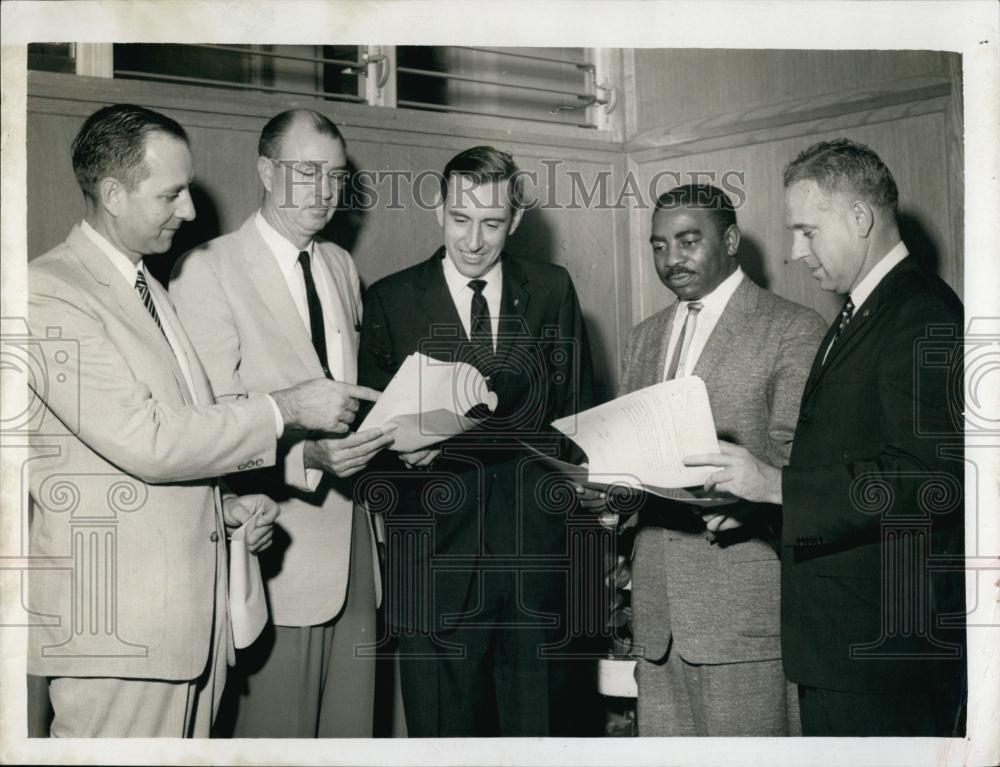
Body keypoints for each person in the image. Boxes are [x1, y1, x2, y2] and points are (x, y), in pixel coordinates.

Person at [26, 104, 378, 737]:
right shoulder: (49, 291)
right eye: (173, 193)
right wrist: (286, 410)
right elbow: (149, 441)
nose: (191, 210)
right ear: (112, 194)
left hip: (189, 621)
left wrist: (226, 507)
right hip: (121, 630)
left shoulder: (148, 289)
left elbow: (188, 427)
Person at [686, 139, 966, 736]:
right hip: (845, 647)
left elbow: (928, 480)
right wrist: (759, 508)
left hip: (883, 659)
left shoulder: (921, 312)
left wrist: (774, 483)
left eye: (807, 231)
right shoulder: (862, 310)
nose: (794, 252)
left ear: (860, 218)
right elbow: (851, 461)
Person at [356, 145, 597, 736]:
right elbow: (368, 456)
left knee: (540, 732)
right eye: (460, 219)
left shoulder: (551, 290)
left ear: (515, 220)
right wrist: (403, 455)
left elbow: (577, 425)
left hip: (535, 563)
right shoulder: (389, 299)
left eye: (492, 223)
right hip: (435, 568)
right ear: (439, 209)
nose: (473, 240)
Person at [170, 109, 393, 737]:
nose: (324, 192)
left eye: (336, 177)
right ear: (266, 171)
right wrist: (307, 460)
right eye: (306, 172)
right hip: (273, 548)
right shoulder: (206, 269)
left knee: (350, 736)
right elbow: (209, 426)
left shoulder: (342, 267)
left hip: (355, 546)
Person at [588, 184, 825, 735]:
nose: (672, 260)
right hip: (657, 618)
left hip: (743, 614)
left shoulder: (792, 328)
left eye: (689, 241)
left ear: (733, 240)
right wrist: (608, 492)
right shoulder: (643, 337)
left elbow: (803, 474)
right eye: (659, 246)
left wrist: (752, 504)